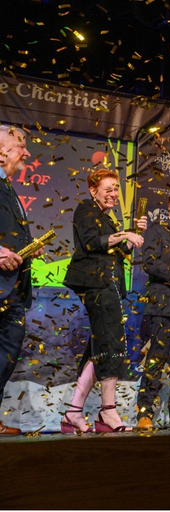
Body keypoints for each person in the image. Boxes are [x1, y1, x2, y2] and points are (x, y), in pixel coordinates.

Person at [62, 168, 147, 433]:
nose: (113, 193)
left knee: (100, 346)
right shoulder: (86, 209)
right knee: (111, 342)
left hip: (108, 286)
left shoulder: (107, 219)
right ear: (93, 190)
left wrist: (132, 234)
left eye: (115, 189)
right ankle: (108, 411)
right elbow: (90, 242)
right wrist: (124, 235)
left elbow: (118, 250)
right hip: (94, 284)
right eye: (107, 188)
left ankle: (73, 412)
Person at [0, 125, 42, 436]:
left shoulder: (9, 187)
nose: (26, 153)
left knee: (5, 356)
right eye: (20, 146)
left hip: (13, 288)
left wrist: (27, 247)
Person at [135, 192, 170, 430]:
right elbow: (149, 262)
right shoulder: (157, 231)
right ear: (169, 208)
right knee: (156, 361)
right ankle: (145, 413)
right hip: (163, 304)